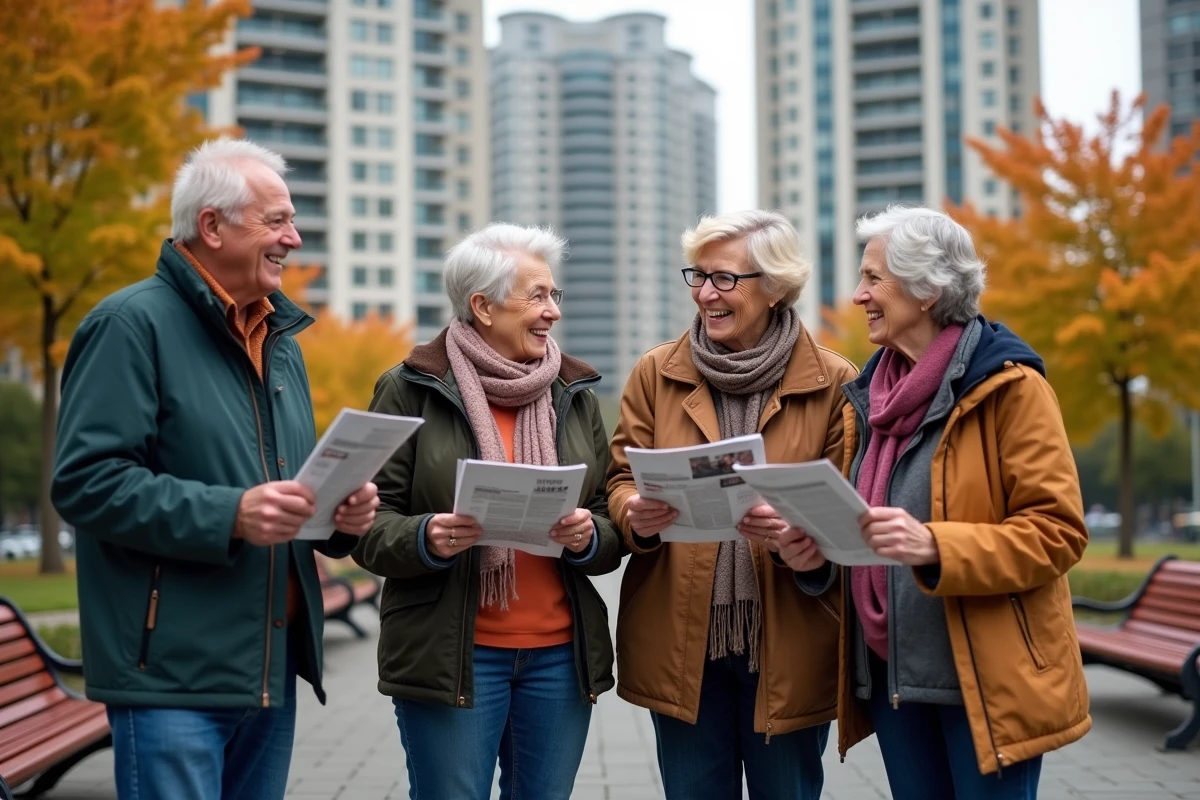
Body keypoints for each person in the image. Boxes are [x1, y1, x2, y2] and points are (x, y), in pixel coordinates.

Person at [50, 138, 380, 800]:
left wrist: (340, 517)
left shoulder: (280, 345)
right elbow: (86, 483)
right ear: (212, 227)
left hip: (268, 665)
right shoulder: (128, 325)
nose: (294, 235)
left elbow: (286, 490)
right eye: (276, 220)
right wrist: (231, 514)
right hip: (171, 674)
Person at [778, 205, 1091, 799]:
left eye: (873, 279)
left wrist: (935, 544)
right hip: (894, 679)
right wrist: (814, 556)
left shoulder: (1011, 388)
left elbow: (1059, 532)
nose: (857, 295)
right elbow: (867, 532)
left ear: (926, 289)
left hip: (986, 683)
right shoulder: (872, 397)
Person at [351, 223, 623, 800]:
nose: (551, 310)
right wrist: (427, 536)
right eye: (537, 296)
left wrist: (588, 535)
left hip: (559, 658)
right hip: (452, 654)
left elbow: (606, 516)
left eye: (555, 295)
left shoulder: (573, 392)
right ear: (483, 306)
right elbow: (367, 523)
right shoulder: (409, 389)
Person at [606, 211, 858, 800]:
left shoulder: (834, 383)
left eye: (725, 279)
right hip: (680, 637)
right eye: (698, 276)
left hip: (789, 641)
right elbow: (619, 479)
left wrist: (801, 536)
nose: (705, 294)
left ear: (774, 287)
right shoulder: (654, 373)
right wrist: (633, 514)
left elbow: (849, 515)